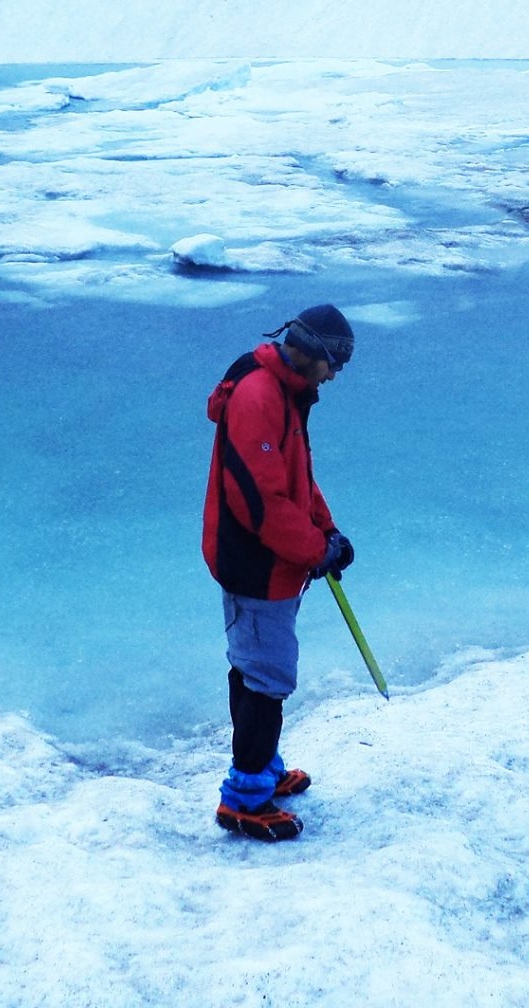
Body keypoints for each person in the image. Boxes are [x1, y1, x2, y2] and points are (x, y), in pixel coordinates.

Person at [201, 304, 357, 841]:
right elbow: (258, 501)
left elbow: (295, 476)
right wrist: (314, 550)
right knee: (267, 676)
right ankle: (244, 798)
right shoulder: (259, 396)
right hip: (255, 561)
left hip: (275, 558)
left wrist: (326, 532)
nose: (336, 374)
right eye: (335, 362)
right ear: (311, 352)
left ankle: (261, 764)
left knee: (258, 665)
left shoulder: (286, 392)